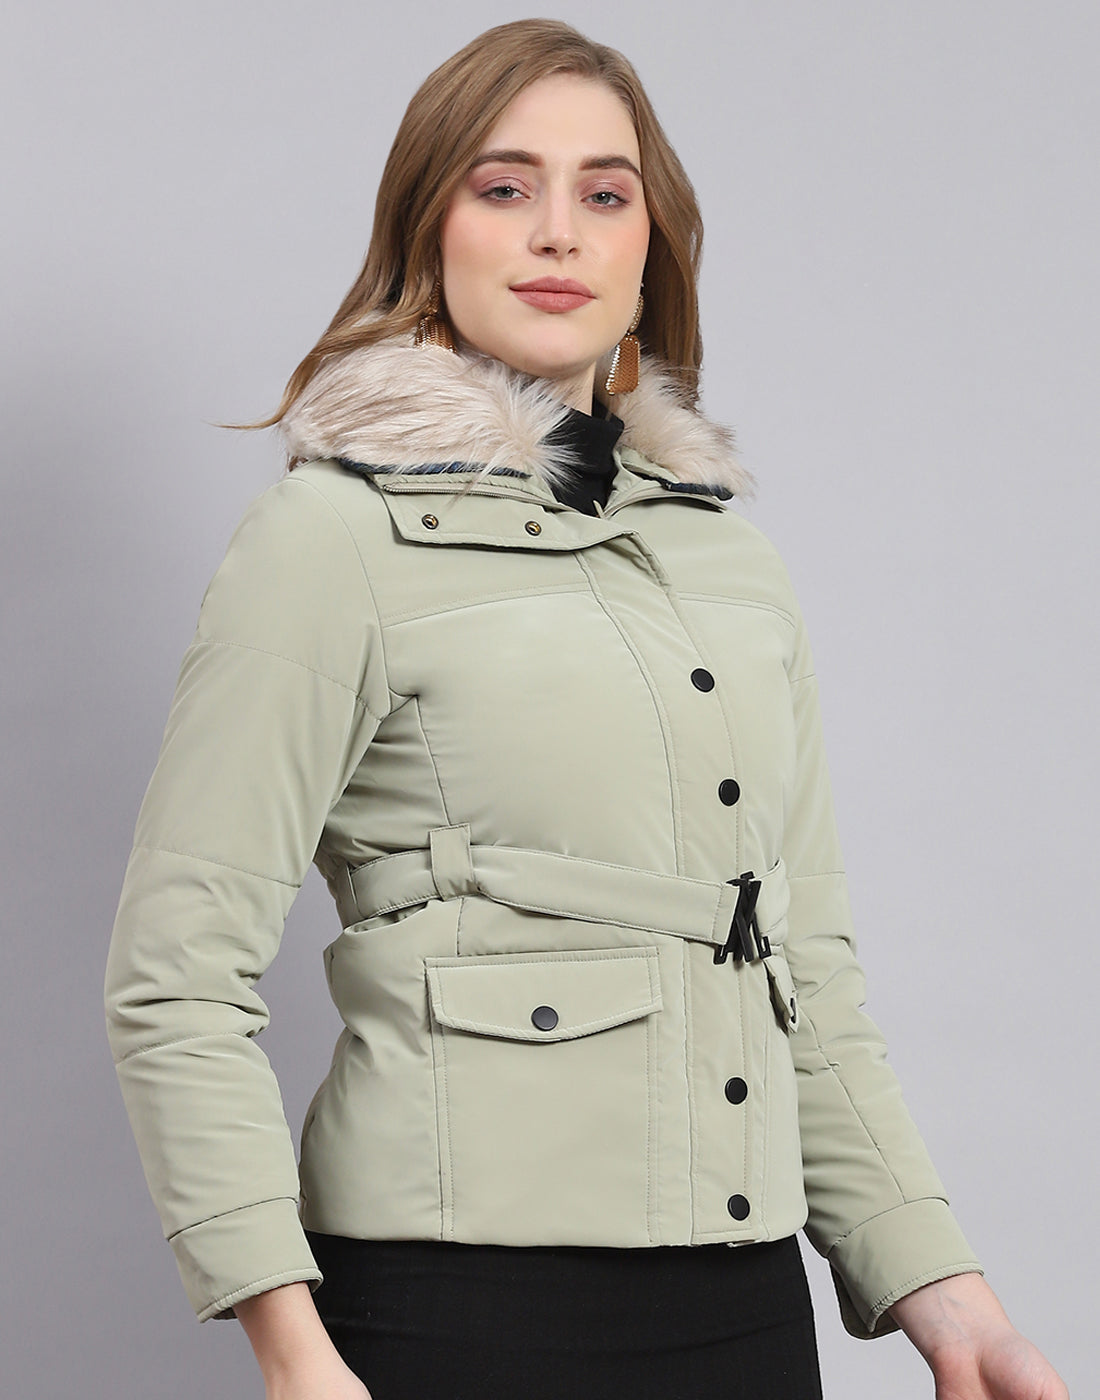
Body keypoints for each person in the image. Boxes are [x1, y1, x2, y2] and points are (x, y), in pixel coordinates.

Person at [104, 18, 1068, 1400]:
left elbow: (803, 970)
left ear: (649, 248)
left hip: (742, 1305)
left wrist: (949, 1301)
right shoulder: (330, 541)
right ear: (428, 231)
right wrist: (294, 1353)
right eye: (505, 187)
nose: (558, 231)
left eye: (605, 194)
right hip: (453, 1305)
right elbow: (176, 981)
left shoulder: (729, 561)